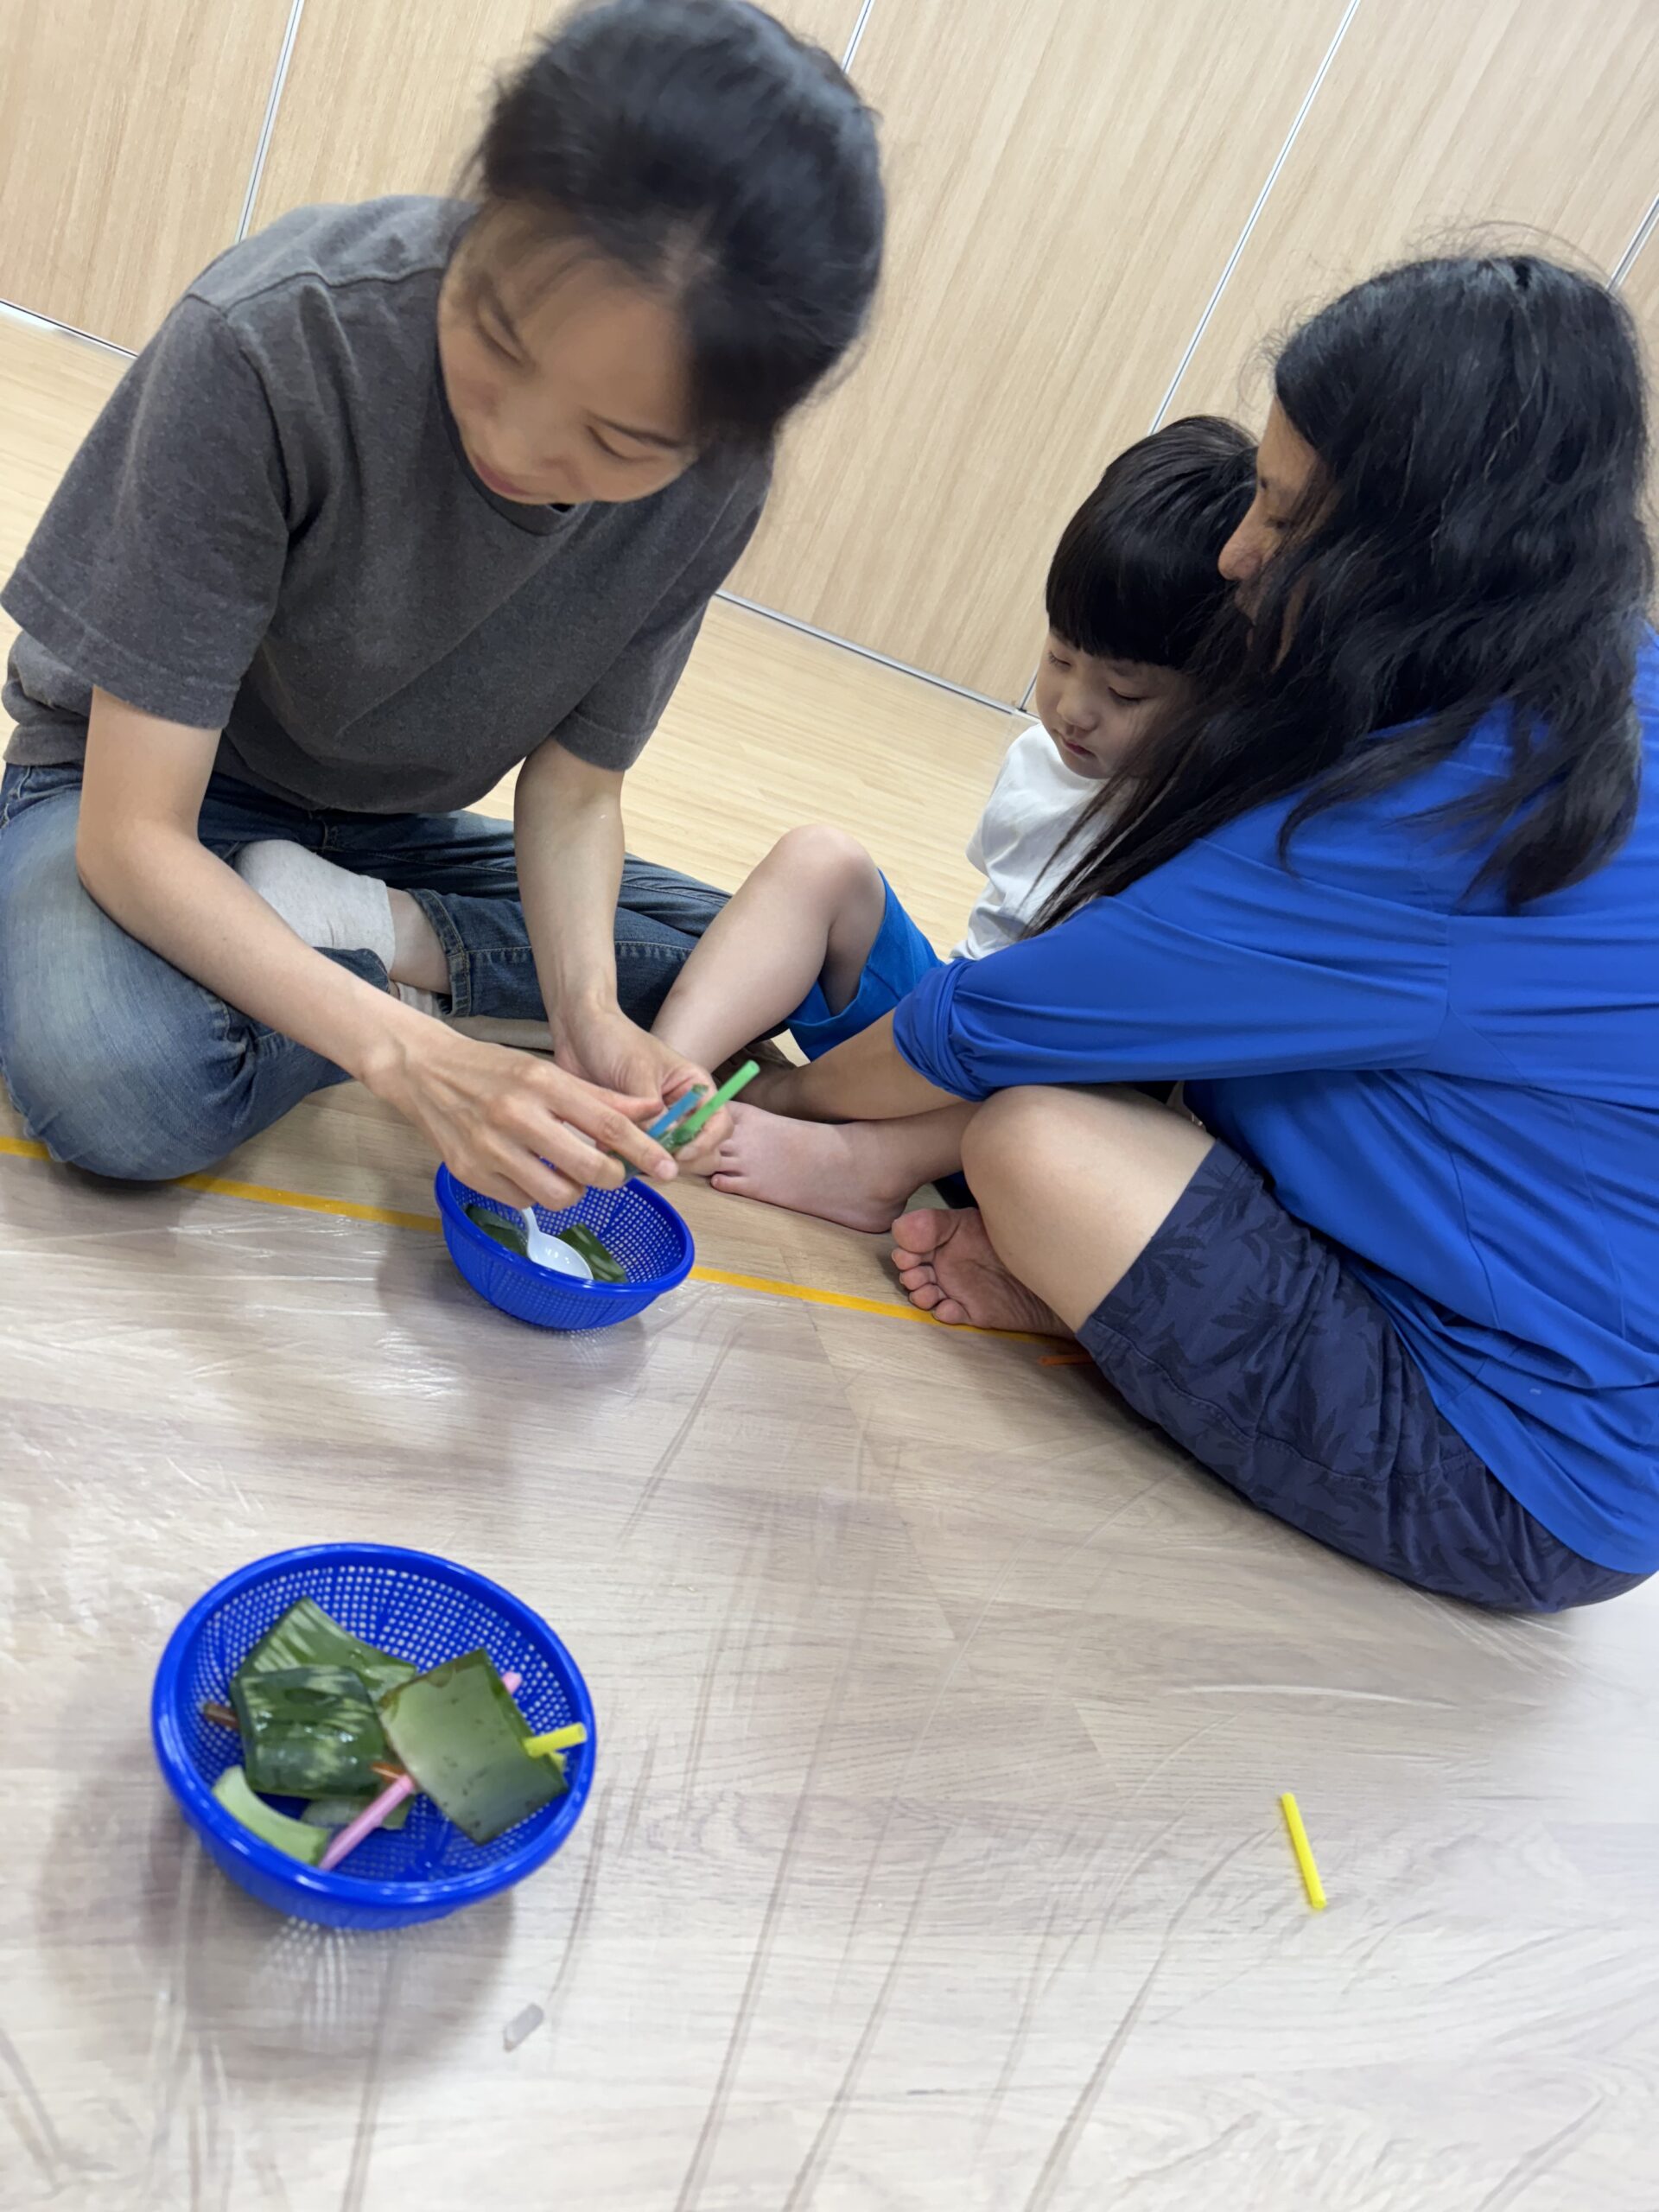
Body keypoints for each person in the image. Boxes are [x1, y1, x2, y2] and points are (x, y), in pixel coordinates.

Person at [744, 253, 1659, 1613]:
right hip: (1538, 1343)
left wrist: (779, 1109)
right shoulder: (1593, 688)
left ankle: (1075, 1290)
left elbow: (990, 1024)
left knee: (1035, 1140)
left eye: (1282, 518)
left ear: (1421, 555)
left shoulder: (1430, 823)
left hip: (1515, 1469)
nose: (1238, 556)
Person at [0, 0, 883, 1216]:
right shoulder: (276, 342)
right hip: (142, 790)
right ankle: (398, 979)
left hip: (387, 827)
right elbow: (131, 836)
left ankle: (364, 938)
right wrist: (413, 1057)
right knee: (124, 1084)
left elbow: (576, 790)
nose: (516, 443)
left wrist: (587, 1018)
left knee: (749, 968)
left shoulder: (718, 484)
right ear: (486, 205)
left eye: (617, 441)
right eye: (497, 340)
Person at [649, 416, 1254, 1228]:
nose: (1073, 708)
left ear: (1219, 694)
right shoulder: (1040, 760)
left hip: (1029, 1114)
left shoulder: (1205, 840)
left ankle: (866, 1166)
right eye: (1060, 657)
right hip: (940, 1035)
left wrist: (800, 1096)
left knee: (1075, 1073)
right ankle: (663, 1076)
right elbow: (972, 977)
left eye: (1126, 693)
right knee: (820, 860)